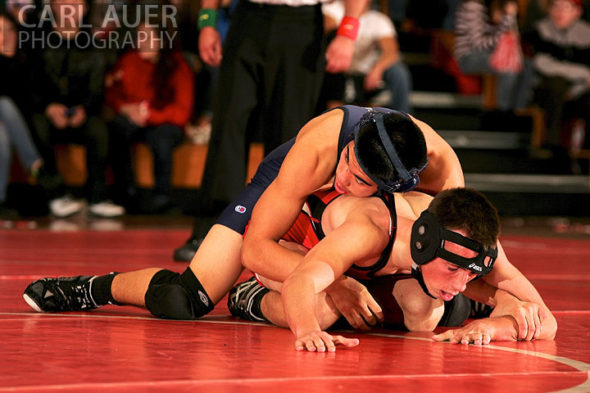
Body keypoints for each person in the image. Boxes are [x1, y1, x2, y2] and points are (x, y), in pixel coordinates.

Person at [21, 106, 462, 325]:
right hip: (287, 184)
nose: (345, 178)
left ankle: (256, 300)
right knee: (186, 299)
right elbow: (255, 247)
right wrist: (338, 280)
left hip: (365, 220)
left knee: (449, 304)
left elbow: (476, 251)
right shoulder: (319, 152)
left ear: (394, 185)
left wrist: (507, 303)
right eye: (348, 162)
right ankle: (92, 288)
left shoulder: (442, 176)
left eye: (362, 179)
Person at [227, 187, 557, 351]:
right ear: (424, 246)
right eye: (453, 269)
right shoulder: (369, 229)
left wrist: (494, 326)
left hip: (372, 269)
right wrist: (307, 331)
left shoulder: (475, 243)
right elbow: (301, 279)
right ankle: (251, 298)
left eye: (470, 274)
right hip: (300, 245)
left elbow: (547, 322)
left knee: (424, 314)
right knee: (320, 311)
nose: (461, 283)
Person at [173, 0, 370, 261]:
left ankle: (276, 234)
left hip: (301, 23)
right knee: (229, 125)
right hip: (247, 18)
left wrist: (347, 34)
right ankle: (213, 230)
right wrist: (207, 20)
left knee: (290, 135)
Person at [30, 0, 124, 218]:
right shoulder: (38, 43)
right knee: (36, 124)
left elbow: (96, 89)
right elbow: (31, 85)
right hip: (48, 115)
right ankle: (55, 194)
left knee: (99, 128)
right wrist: (48, 107)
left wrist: (84, 109)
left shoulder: (94, 45)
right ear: (52, 6)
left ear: (85, 8)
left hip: (82, 115)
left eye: (75, 3)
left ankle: (97, 197)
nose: (68, 8)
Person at [105, 19, 194, 213]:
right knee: (117, 129)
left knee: (161, 137)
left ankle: (162, 198)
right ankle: (125, 195)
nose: (142, 41)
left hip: (165, 122)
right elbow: (112, 95)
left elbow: (181, 112)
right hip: (134, 119)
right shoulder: (128, 61)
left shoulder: (177, 65)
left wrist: (149, 115)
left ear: (161, 40)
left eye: (148, 36)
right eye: (139, 36)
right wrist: (125, 108)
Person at [319, 0, 413, 113]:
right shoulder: (333, 9)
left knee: (398, 71)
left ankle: (404, 119)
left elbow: (392, 52)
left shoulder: (378, 19)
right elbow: (327, 29)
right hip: (335, 68)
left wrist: (377, 69)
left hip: (365, 73)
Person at [522, 0, 590, 154]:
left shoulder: (586, 34)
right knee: (556, 85)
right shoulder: (540, 30)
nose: (559, 12)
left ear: (577, 11)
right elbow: (543, 64)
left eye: (565, 7)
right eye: (555, 6)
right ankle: (552, 145)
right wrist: (583, 74)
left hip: (580, 89)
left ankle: (584, 152)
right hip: (545, 88)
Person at [0, 12, 45, 217]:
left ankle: (0, 201)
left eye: (9, 30)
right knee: (5, 103)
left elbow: (29, 100)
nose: (5, 36)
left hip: (15, 125)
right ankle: (33, 162)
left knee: (1, 138)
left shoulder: (27, 62)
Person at [454, 0, 533, 111]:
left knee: (527, 65)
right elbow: (478, 44)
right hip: (469, 56)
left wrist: (510, 18)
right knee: (508, 67)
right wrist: (507, 19)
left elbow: (510, 36)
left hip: (492, 54)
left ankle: (519, 111)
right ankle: (502, 113)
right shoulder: (473, 6)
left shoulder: (498, 4)